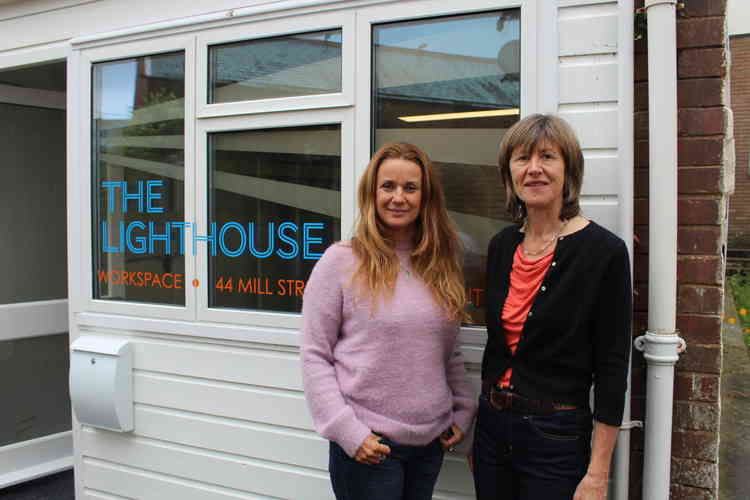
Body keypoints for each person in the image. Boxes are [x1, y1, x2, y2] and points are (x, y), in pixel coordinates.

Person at [301, 142, 477, 500]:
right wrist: (348, 433)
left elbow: (448, 353)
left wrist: (462, 410)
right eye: (388, 186)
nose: (399, 197)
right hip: (369, 448)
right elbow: (314, 355)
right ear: (372, 193)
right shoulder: (340, 262)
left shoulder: (440, 265)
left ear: (425, 198)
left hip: (429, 445)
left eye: (410, 188)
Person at [472, 114, 632, 500]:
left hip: (555, 438)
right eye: (522, 158)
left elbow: (612, 368)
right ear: (508, 172)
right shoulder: (501, 245)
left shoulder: (603, 252)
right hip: (493, 429)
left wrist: (597, 472)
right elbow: (497, 350)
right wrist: (483, 429)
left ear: (569, 169)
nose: (534, 169)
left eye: (548, 157)